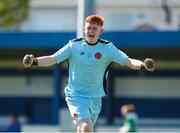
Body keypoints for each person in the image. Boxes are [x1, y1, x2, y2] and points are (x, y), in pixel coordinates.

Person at [23, 15, 155, 133]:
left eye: (94, 28)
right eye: (89, 28)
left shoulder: (108, 48)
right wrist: (34, 61)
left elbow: (129, 61)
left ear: (100, 31)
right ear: (84, 29)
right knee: (86, 127)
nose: (91, 31)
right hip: (75, 96)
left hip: (95, 98)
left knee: (83, 129)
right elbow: (52, 59)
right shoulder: (73, 46)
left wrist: (143, 65)